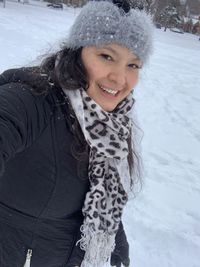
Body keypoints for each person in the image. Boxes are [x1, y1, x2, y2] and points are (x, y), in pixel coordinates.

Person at [0, 1, 153, 267]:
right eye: (107, 56)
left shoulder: (112, 123)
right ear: (77, 52)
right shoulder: (31, 100)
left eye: (133, 65)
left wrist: (117, 245)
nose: (119, 78)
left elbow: (99, 192)